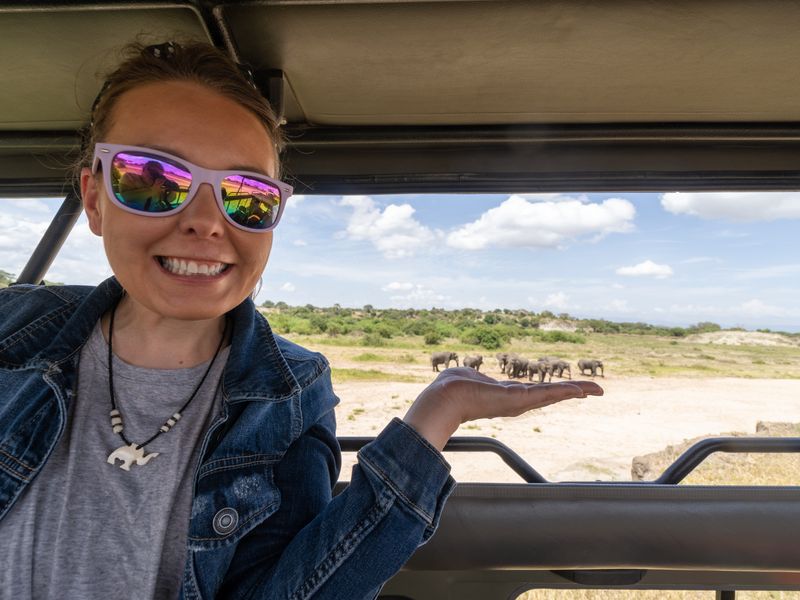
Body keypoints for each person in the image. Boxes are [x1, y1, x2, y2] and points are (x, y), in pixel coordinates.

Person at [0, 41, 602, 599]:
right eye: (155, 181)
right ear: (95, 198)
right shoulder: (10, 327)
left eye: (247, 196)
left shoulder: (291, 393)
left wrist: (437, 413)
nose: (208, 222)